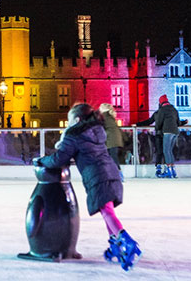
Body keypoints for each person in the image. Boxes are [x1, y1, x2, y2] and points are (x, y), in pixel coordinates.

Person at [36, 103, 141, 271]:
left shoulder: (74, 134)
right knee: (107, 210)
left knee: (107, 211)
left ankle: (127, 242)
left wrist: (41, 160)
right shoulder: (96, 131)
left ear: (77, 120)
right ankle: (115, 243)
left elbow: (59, 159)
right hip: (111, 173)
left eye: (69, 120)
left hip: (97, 176)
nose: (68, 124)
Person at [156, 95, 183, 178]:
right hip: (175, 132)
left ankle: (169, 171)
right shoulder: (174, 109)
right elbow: (178, 122)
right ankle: (173, 171)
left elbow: (159, 123)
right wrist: (184, 122)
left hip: (168, 132)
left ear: (161, 102)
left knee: (166, 151)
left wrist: (157, 129)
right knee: (170, 151)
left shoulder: (162, 110)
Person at [134, 110, 165, 177]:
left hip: (149, 150)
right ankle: (149, 172)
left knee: (152, 158)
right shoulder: (142, 135)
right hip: (145, 151)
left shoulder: (149, 135)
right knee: (147, 159)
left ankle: (155, 171)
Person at [99, 103, 124, 182]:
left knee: (111, 158)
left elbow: (100, 127)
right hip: (114, 139)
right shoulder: (109, 116)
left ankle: (118, 176)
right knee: (111, 157)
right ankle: (115, 175)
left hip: (111, 140)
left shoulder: (104, 116)